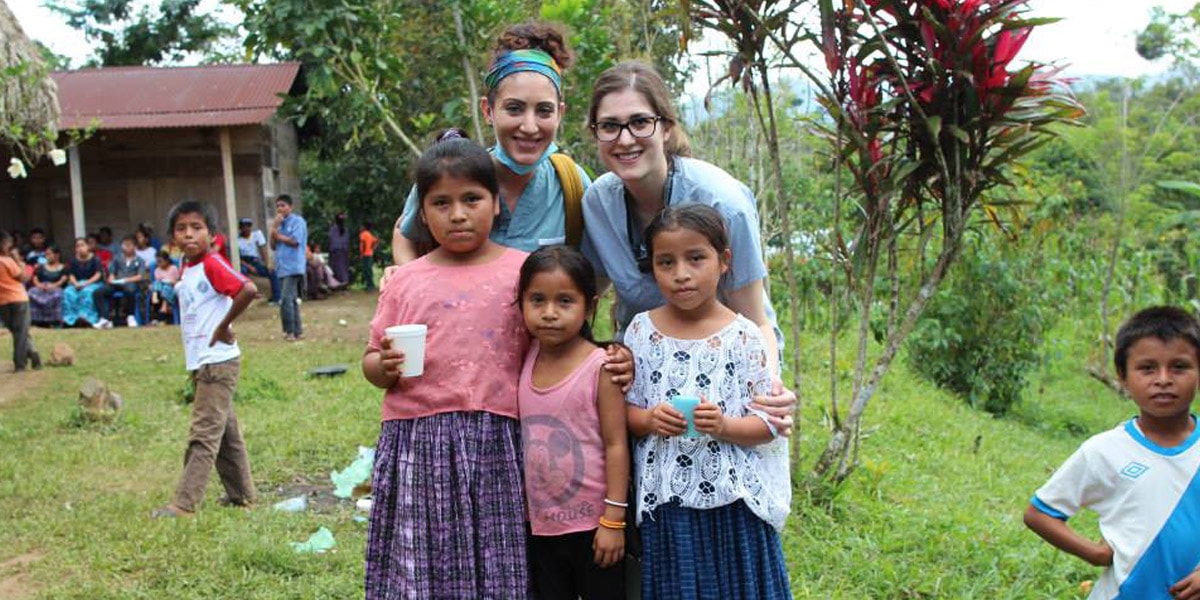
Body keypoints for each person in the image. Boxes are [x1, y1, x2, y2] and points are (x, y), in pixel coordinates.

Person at [582, 60, 795, 434]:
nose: (625, 139)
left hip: (724, 378)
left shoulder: (722, 202)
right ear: (595, 133)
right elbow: (585, 300)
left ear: (665, 127)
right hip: (646, 382)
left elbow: (756, 318)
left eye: (640, 122)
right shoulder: (598, 202)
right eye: (610, 126)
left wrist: (769, 391)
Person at [362, 131, 530, 598]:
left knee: (496, 560)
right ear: (421, 211)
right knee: (422, 560)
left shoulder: (524, 271)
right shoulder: (405, 281)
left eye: (471, 198)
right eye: (441, 203)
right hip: (419, 441)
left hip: (499, 440)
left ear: (496, 203)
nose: (457, 214)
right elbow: (372, 362)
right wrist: (385, 365)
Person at [623, 205, 790, 598]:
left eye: (696, 258)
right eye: (666, 262)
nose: (681, 273)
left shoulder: (744, 336)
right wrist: (649, 420)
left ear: (724, 261)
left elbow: (768, 426)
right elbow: (623, 414)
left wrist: (725, 426)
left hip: (734, 506)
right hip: (668, 503)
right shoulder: (641, 332)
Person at [1024, 305, 1200, 599]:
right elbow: (1039, 514)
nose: (1164, 379)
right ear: (1122, 376)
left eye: (1179, 367)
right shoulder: (1104, 451)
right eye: (1147, 368)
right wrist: (1094, 553)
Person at [391, 21, 590, 264]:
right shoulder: (452, 173)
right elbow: (406, 235)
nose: (529, 126)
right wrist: (411, 283)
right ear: (488, 110)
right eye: (514, 109)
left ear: (560, 114)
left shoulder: (571, 184)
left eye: (544, 111)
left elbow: (595, 268)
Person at [518, 246, 629, 599]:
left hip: (593, 526)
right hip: (539, 525)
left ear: (590, 306)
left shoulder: (602, 367)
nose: (549, 313)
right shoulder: (526, 355)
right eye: (537, 300)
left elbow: (616, 444)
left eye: (565, 301)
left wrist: (613, 520)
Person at [152, 201, 257, 518]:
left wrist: (224, 325)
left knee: (203, 434)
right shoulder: (187, 267)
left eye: (196, 228)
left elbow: (247, 289)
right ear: (173, 237)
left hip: (218, 362)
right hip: (203, 361)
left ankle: (184, 504)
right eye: (181, 229)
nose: (189, 235)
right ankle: (242, 495)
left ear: (212, 234)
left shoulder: (212, 263)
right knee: (226, 433)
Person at [0, 231, 41, 372]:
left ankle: (34, 355)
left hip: (3, 301)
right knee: (21, 332)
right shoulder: (7, 261)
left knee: (17, 331)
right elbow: (23, 278)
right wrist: (26, 267)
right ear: (3, 244)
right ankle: (20, 364)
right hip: (18, 298)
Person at [271, 194, 307, 341]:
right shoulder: (279, 224)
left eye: (283, 205)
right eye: (278, 206)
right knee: (291, 299)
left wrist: (276, 234)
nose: (280, 209)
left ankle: (289, 331)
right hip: (282, 266)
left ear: (290, 207)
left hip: (293, 265)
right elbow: (272, 245)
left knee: (285, 299)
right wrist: (274, 229)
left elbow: (295, 241)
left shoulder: (297, 222)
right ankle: (298, 331)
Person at [100, 235, 148, 328]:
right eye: (125, 245)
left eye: (129, 245)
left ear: (134, 246)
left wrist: (126, 280)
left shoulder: (140, 260)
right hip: (117, 283)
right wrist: (111, 278)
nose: (127, 247)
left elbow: (140, 276)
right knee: (99, 292)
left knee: (130, 289)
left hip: (131, 283)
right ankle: (105, 318)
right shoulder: (117, 258)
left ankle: (131, 316)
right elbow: (112, 271)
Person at [62, 237, 104, 328]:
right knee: (68, 292)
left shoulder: (95, 259)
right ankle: (70, 320)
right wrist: (76, 283)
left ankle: (86, 318)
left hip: (93, 283)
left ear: (87, 246)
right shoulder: (73, 260)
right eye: (77, 246)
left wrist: (86, 284)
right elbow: (71, 274)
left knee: (87, 292)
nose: (80, 248)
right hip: (77, 283)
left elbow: (98, 274)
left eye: (82, 245)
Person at [236, 217, 278, 302]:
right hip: (244, 262)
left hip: (255, 261)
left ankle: (277, 297)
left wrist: (267, 263)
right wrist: (249, 267)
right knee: (242, 272)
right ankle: (250, 294)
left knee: (272, 272)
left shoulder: (257, 234)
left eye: (249, 226)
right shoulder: (237, 240)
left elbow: (263, 249)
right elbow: (237, 257)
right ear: (241, 228)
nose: (247, 228)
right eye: (244, 226)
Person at [28, 245, 67, 327]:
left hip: (55, 287)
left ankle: (54, 321)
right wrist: (39, 285)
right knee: (31, 292)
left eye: (49, 254)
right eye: (46, 254)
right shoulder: (41, 267)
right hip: (42, 287)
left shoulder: (63, 267)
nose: (47, 256)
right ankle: (36, 319)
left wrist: (53, 285)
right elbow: (35, 278)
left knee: (58, 294)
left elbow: (63, 279)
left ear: (57, 255)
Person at [151, 250, 180, 323]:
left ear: (167, 260)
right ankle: (155, 297)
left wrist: (169, 281)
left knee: (166, 287)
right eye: (158, 262)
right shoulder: (157, 270)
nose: (159, 264)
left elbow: (176, 282)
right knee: (156, 283)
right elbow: (157, 282)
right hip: (159, 291)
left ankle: (164, 307)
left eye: (161, 261)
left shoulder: (173, 268)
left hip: (170, 289)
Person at [328, 212, 351, 285]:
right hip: (343, 251)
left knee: (337, 267)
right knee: (343, 267)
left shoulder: (333, 230)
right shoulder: (345, 230)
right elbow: (347, 241)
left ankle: (340, 283)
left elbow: (331, 240)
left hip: (336, 251)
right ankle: (343, 282)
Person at [358, 220, 378, 291]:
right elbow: (376, 241)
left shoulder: (363, 234)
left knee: (366, 270)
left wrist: (362, 253)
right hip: (370, 254)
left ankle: (369, 285)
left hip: (365, 254)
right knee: (369, 270)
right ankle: (370, 285)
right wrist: (372, 249)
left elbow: (363, 244)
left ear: (364, 227)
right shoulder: (369, 234)